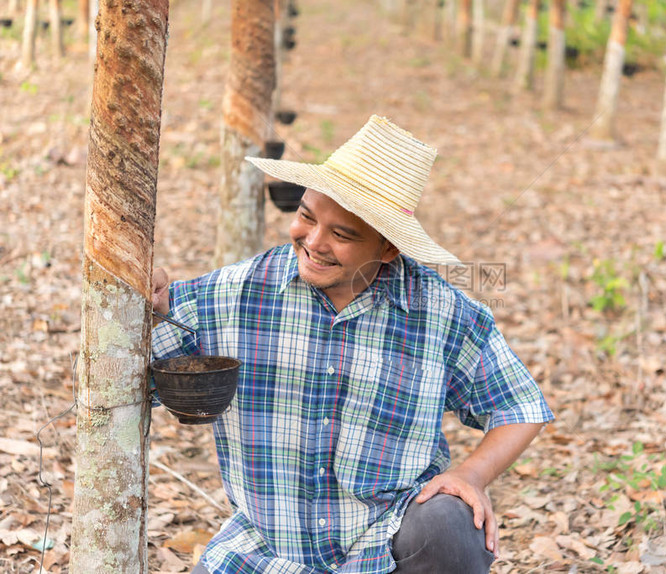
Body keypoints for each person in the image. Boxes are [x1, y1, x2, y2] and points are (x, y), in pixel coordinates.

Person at [151, 115, 554, 574]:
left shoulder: (440, 314)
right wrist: (153, 308)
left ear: (387, 250)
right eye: (306, 216)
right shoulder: (235, 293)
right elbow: (150, 371)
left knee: (451, 525)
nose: (315, 241)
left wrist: (470, 475)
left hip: (387, 542)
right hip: (265, 551)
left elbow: (520, 406)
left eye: (342, 235)